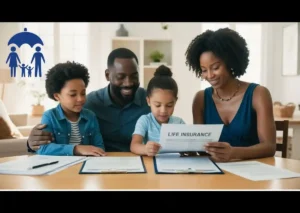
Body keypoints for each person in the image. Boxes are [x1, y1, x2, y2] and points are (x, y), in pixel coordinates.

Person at [27, 48, 150, 152]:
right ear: (108, 75)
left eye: (134, 76)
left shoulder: (151, 101)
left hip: (141, 161)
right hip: (101, 165)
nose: (128, 83)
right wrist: (31, 143)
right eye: (120, 77)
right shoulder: (90, 103)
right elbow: (48, 138)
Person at [184, 28, 276, 162]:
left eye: (215, 68)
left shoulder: (258, 94)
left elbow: (269, 147)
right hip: (216, 174)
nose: (209, 75)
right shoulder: (200, 99)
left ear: (230, 62)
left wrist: (233, 153)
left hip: (254, 174)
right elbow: (201, 146)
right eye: (204, 70)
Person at [35, 61, 106, 156]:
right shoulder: (50, 116)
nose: (80, 99)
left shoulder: (90, 116)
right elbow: (42, 148)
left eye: (83, 93)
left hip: (87, 164)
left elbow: (99, 147)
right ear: (57, 96)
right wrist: (76, 149)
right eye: (73, 94)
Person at [130, 65, 185, 156]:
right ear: (148, 101)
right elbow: (134, 145)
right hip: (151, 165)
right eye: (157, 105)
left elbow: (188, 147)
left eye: (169, 105)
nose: (163, 110)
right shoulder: (145, 120)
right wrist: (145, 149)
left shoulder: (179, 123)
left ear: (175, 102)